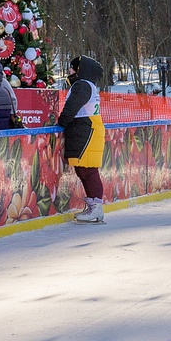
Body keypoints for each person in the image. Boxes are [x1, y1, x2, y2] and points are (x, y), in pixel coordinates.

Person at [57, 56, 107, 224]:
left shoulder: (82, 86)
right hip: (85, 128)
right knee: (83, 169)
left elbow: (72, 107)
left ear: (80, 70)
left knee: (88, 170)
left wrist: (61, 122)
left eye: (72, 68)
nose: (69, 71)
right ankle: (93, 205)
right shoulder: (85, 85)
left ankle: (96, 207)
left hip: (87, 129)